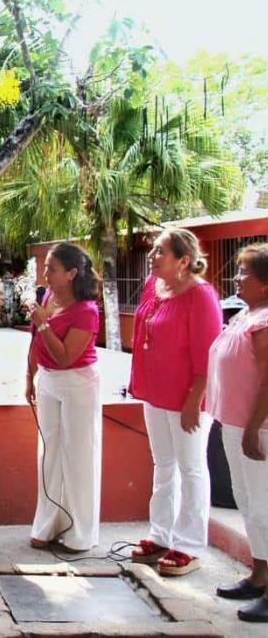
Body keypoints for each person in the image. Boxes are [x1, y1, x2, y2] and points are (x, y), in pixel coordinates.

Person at [128, 228, 222, 577]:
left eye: (161, 251)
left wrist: (193, 401)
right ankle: (161, 534)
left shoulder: (201, 296)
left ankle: (189, 545)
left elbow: (207, 356)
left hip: (187, 399)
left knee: (191, 468)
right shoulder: (155, 287)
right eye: (153, 249)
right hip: (155, 395)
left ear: (183, 261)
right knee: (163, 465)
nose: (152, 255)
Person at [25, 243, 102, 552]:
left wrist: (43, 322)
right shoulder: (48, 297)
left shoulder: (86, 311)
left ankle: (80, 532)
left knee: (78, 455)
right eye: (45, 268)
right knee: (49, 453)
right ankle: (48, 524)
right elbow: (35, 344)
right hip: (48, 381)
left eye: (52, 269)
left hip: (77, 383)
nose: (45, 274)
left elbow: (66, 357)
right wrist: (29, 376)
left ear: (71, 274)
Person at [205, 242, 268, 622]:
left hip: (257, 428)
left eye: (245, 273)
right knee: (248, 504)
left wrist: (251, 428)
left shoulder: (264, 322)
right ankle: (259, 575)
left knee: (264, 506)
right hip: (232, 424)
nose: (237, 278)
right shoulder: (246, 314)